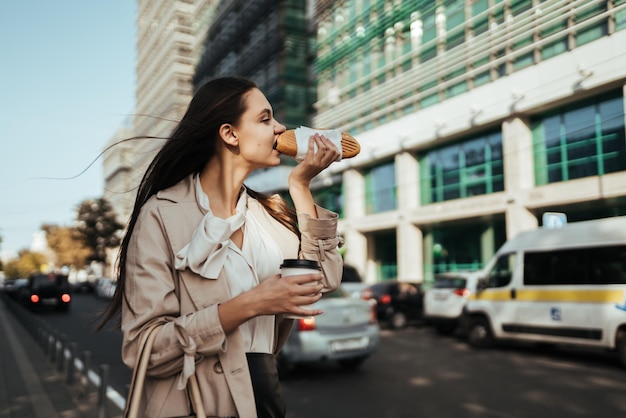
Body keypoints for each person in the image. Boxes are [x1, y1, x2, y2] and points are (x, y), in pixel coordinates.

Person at [98, 76, 344, 417]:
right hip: (194, 401)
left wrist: (301, 186)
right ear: (230, 134)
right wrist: (250, 304)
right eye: (265, 119)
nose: (280, 127)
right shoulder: (162, 214)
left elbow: (324, 281)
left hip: (263, 396)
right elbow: (144, 349)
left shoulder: (267, 215)